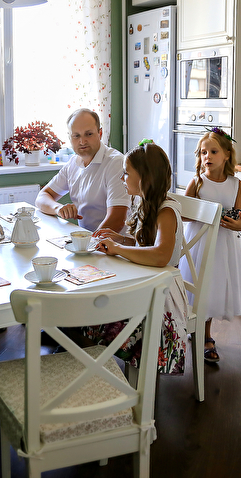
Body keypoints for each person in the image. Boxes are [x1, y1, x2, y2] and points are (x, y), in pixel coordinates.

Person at [88, 143, 189, 374]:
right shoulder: (145, 203)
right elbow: (146, 245)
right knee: (93, 313)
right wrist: (121, 240)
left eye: (126, 173)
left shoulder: (166, 211)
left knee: (99, 316)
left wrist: (118, 249)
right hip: (147, 282)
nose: (122, 178)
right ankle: (97, 371)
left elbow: (160, 255)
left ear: (144, 178)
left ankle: (111, 376)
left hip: (163, 294)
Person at [181, 128, 241, 363]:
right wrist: (203, 213)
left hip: (224, 246)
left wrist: (237, 224)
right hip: (199, 244)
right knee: (200, 288)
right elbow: (182, 214)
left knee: (213, 289)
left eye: (213, 151)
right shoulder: (197, 182)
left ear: (227, 155)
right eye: (203, 152)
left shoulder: (236, 185)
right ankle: (198, 333)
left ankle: (204, 333)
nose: (207, 156)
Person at [35, 108, 130, 232]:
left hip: (113, 242)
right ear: (70, 138)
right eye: (76, 136)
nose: (82, 141)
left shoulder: (116, 162)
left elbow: (117, 220)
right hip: (88, 239)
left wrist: (89, 242)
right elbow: (42, 197)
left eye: (88, 134)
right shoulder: (73, 163)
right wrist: (58, 208)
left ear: (100, 133)